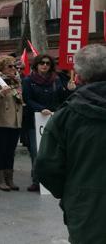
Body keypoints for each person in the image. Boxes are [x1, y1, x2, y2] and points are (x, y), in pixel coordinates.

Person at [35, 44, 106, 244]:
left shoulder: (65, 117)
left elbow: (46, 166)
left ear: (80, 77)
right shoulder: (66, 116)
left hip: (85, 208)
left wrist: (70, 192)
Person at [22, 54, 70, 192]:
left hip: (54, 119)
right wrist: (40, 108)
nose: (45, 65)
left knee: (55, 151)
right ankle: (37, 181)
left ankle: (54, 180)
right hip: (35, 121)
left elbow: (64, 99)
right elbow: (27, 99)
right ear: (36, 65)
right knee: (37, 152)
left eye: (48, 63)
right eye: (42, 63)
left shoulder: (57, 80)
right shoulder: (28, 80)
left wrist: (70, 89)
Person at [0, 56, 23, 192]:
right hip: (0, 122)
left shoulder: (17, 82)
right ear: (1, 68)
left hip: (15, 122)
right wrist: (1, 92)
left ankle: (9, 178)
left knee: (10, 152)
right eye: (10, 66)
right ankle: (0, 179)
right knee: (0, 151)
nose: (14, 69)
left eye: (14, 66)